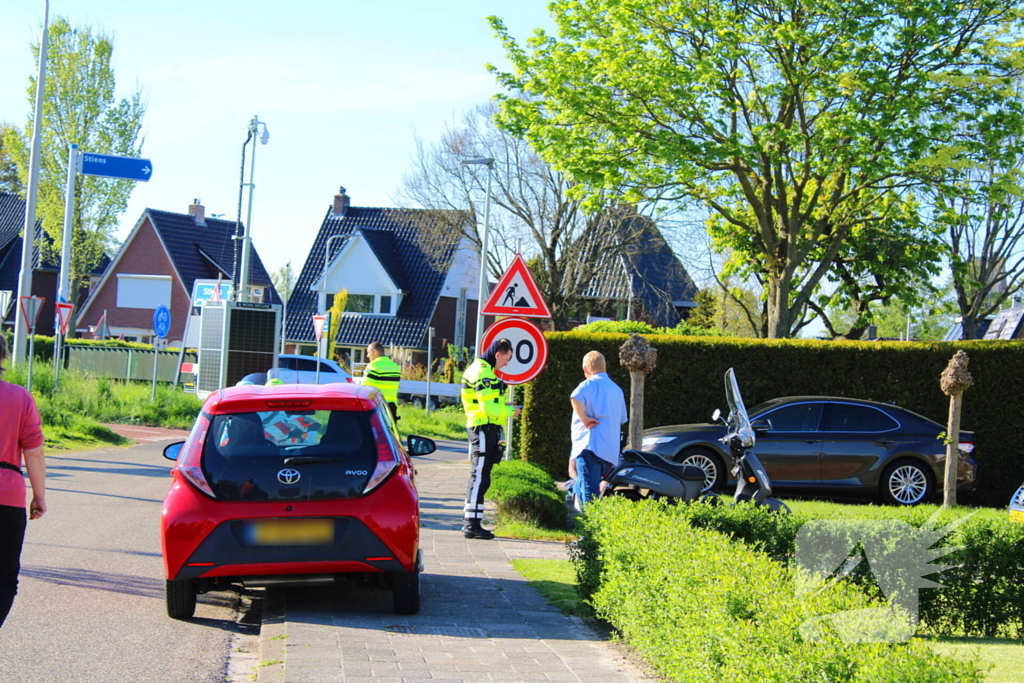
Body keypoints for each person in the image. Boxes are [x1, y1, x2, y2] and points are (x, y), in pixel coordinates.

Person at [0, 334, 46, 628]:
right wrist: (39, 495)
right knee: (4, 578)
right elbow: (34, 452)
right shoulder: (19, 397)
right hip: (7, 496)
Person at [461, 338, 520, 539]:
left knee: (482, 476)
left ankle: (473, 522)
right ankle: (471, 524)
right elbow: (487, 408)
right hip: (483, 429)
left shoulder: (482, 371)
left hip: (485, 427)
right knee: (479, 476)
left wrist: (505, 407)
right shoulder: (482, 374)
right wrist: (511, 410)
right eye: (506, 359)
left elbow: (490, 404)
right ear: (498, 354)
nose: (506, 363)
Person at [569, 350, 628, 506]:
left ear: (586, 368)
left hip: (590, 446)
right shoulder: (616, 389)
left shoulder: (589, 384)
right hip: (609, 450)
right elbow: (622, 419)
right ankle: (584, 524)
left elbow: (575, 397)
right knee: (585, 488)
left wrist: (585, 418)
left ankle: (588, 529)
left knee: (589, 494)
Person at [364, 342, 401, 420]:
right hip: (392, 405)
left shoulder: (373, 365)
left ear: (375, 351)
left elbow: (365, 388)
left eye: (368, 353)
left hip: (377, 405)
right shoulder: (395, 366)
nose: (367, 356)